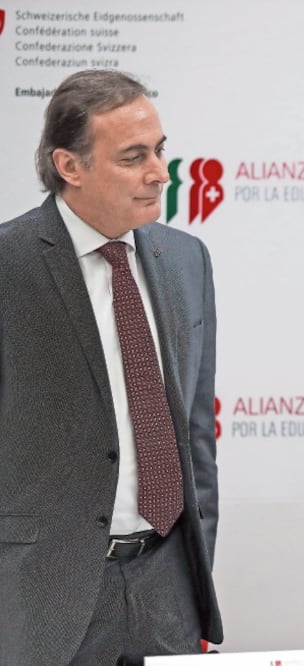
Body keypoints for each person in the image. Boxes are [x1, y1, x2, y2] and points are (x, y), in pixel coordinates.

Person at [0, 69, 222, 665]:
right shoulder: (8, 266)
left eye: (159, 149)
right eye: (133, 157)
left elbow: (196, 432)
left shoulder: (186, 259)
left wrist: (195, 559)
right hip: (40, 595)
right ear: (70, 166)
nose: (160, 172)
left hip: (167, 584)